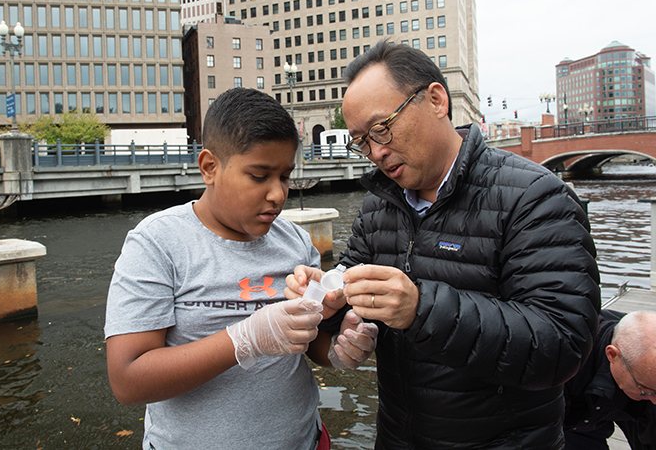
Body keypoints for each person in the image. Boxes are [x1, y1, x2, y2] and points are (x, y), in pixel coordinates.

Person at [286, 41, 601, 449]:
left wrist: (421, 309)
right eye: (362, 141)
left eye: (383, 128)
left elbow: (562, 345)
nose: (377, 152)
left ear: (436, 100)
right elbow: (351, 296)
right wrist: (325, 300)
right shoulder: (379, 205)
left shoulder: (535, 197)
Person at [104, 87, 378, 450]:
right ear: (209, 167)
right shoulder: (157, 244)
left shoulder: (295, 242)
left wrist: (340, 349)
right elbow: (128, 380)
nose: (278, 194)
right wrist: (245, 339)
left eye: (284, 176)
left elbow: (311, 345)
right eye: (259, 175)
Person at [564, 309, 656, 450]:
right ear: (612, 355)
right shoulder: (565, 358)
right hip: (569, 415)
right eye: (648, 391)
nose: (655, 400)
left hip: (621, 408)